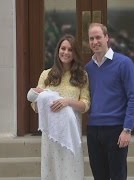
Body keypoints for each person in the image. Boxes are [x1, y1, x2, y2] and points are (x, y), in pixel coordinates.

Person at [30, 34, 90, 180]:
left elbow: (85, 105)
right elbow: (35, 107)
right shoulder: (46, 75)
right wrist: (36, 96)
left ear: (75, 53)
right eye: (63, 48)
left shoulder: (82, 75)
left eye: (70, 50)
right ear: (58, 51)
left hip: (71, 133)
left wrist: (67, 102)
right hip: (51, 134)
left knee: (71, 171)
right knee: (52, 172)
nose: (66, 52)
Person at [85, 23, 134, 180]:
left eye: (98, 37)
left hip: (116, 130)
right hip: (93, 130)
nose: (95, 42)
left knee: (118, 176)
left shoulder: (124, 63)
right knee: (99, 176)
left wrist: (127, 129)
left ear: (107, 38)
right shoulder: (88, 68)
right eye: (91, 38)